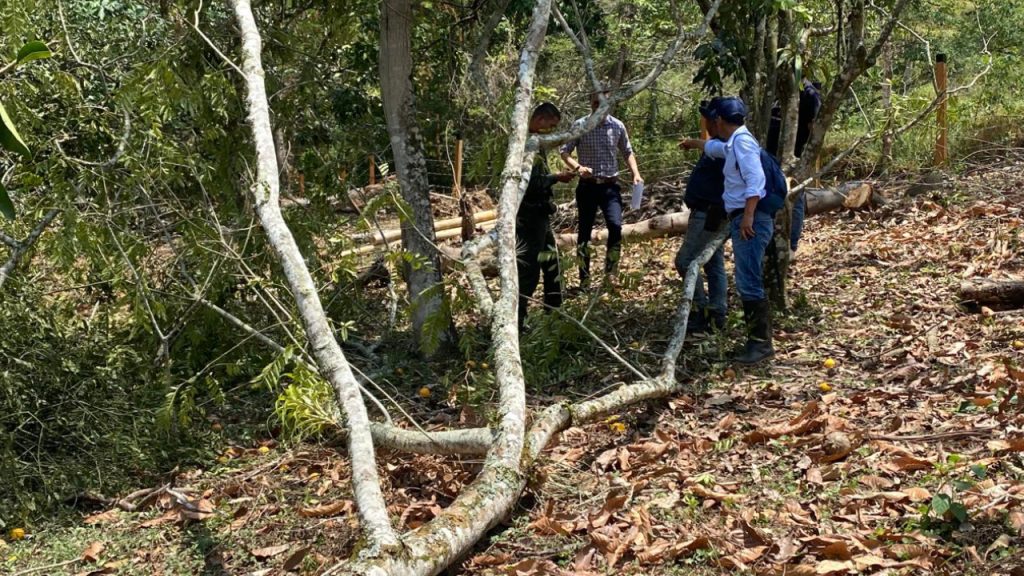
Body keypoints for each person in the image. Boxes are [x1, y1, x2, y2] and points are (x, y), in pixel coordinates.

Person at [680, 97, 774, 365]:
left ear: (719, 120)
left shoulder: (742, 143)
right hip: (742, 217)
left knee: (748, 281)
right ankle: (756, 343)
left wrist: (747, 217)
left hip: (750, 220)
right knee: (745, 279)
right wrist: (694, 143)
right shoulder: (735, 142)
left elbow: (756, 180)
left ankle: (760, 346)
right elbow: (715, 148)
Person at [560, 91, 643, 291]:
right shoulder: (580, 125)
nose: (599, 107)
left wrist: (636, 173)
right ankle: (584, 280)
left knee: (615, 227)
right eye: (596, 103)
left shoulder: (617, 126)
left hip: (610, 186)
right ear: (590, 103)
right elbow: (564, 151)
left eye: (603, 103)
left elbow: (627, 151)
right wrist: (578, 168)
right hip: (587, 188)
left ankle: (610, 274)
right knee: (584, 233)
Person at [517, 102, 575, 331]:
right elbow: (529, 183)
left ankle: (554, 311)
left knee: (552, 263)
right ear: (540, 119)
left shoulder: (535, 141)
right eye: (550, 125)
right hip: (529, 216)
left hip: (540, 214)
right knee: (529, 270)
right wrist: (556, 178)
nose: (550, 130)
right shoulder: (525, 143)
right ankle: (517, 320)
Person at [674, 98, 727, 334]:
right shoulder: (716, 144)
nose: (705, 123)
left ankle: (701, 311)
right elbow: (704, 144)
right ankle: (716, 313)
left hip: (709, 212)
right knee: (713, 262)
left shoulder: (725, 147)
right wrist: (694, 143)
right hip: (707, 211)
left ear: (718, 122)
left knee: (686, 261)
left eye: (709, 119)